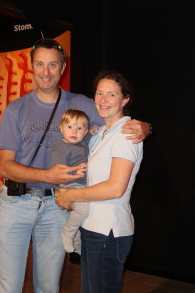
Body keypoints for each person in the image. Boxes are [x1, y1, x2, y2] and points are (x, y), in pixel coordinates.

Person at [0, 38, 150, 293]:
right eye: (40, 64)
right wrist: (48, 175)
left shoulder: (84, 105)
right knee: (7, 286)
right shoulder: (16, 110)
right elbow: (4, 167)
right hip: (16, 204)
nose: (46, 72)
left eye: (52, 65)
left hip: (57, 207)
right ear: (31, 67)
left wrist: (145, 127)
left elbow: (117, 117)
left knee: (48, 286)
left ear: (62, 68)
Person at [55, 70, 143, 293]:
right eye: (99, 93)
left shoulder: (126, 134)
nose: (103, 100)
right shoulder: (99, 134)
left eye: (111, 95)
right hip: (92, 228)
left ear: (125, 99)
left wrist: (70, 195)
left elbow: (115, 188)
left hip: (108, 231)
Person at [50, 109, 91, 255]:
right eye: (69, 127)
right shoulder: (60, 149)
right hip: (68, 186)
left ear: (85, 132)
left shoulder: (82, 144)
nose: (74, 131)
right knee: (83, 209)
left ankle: (78, 246)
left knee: (80, 217)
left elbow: (91, 134)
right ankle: (67, 233)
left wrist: (94, 131)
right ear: (61, 128)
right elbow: (58, 173)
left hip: (81, 185)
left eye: (79, 128)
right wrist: (75, 171)